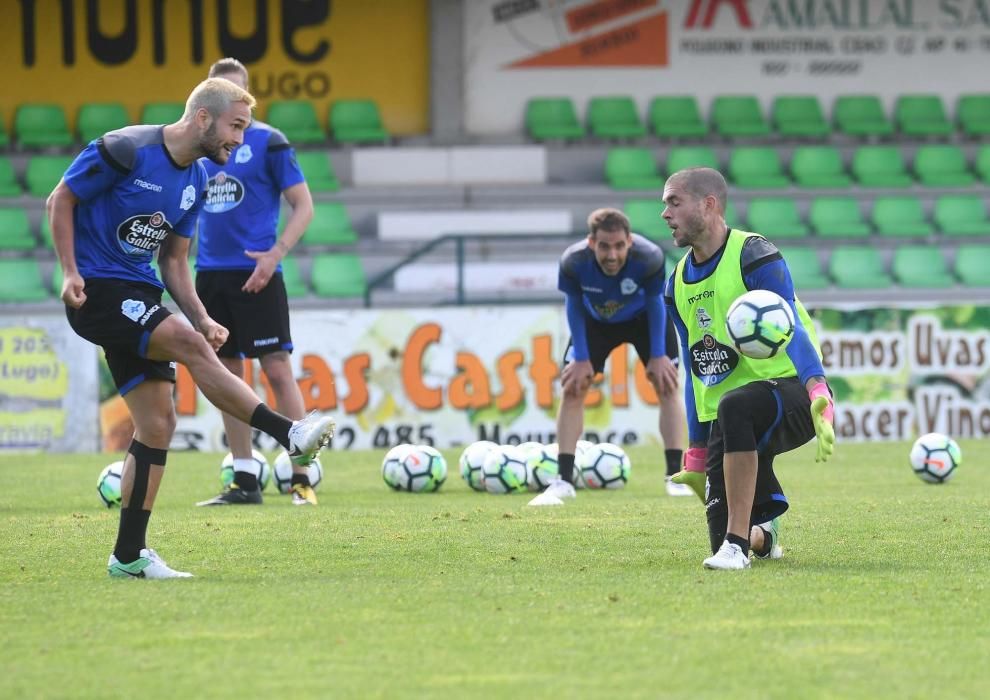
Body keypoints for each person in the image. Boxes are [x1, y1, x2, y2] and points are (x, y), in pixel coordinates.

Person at [48, 77, 336, 579]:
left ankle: (129, 556)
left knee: (158, 424)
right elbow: (61, 200)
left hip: (139, 296)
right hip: (97, 291)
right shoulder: (124, 150)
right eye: (236, 126)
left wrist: (203, 316)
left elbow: (176, 262)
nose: (240, 140)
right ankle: (289, 433)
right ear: (203, 117)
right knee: (184, 341)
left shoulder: (198, 179)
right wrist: (70, 270)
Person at [661, 167, 835, 570]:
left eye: (674, 202)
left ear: (709, 204)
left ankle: (736, 548)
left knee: (737, 405)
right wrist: (697, 451)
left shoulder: (754, 254)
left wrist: (819, 391)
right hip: (732, 415)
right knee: (719, 527)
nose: (665, 214)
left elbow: (791, 327)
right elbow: (694, 370)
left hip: (792, 394)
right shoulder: (676, 285)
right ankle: (760, 534)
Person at [193, 58, 319, 507]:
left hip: (260, 272)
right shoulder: (199, 146)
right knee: (228, 375)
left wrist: (275, 255)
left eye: (237, 95)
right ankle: (245, 479)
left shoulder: (267, 141)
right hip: (210, 274)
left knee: (277, 369)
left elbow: (304, 206)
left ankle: (302, 476)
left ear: (247, 96)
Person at [529, 207, 688, 507]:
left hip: (644, 320)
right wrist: (581, 358)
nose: (612, 255)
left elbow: (656, 303)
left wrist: (657, 355)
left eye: (618, 246)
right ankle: (563, 481)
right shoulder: (573, 262)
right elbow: (574, 305)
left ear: (629, 241)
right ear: (592, 243)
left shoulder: (650, 258)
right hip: (595, 322)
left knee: (666, 384)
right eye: (604, 246)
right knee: (573, 386)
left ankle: (674, 477)